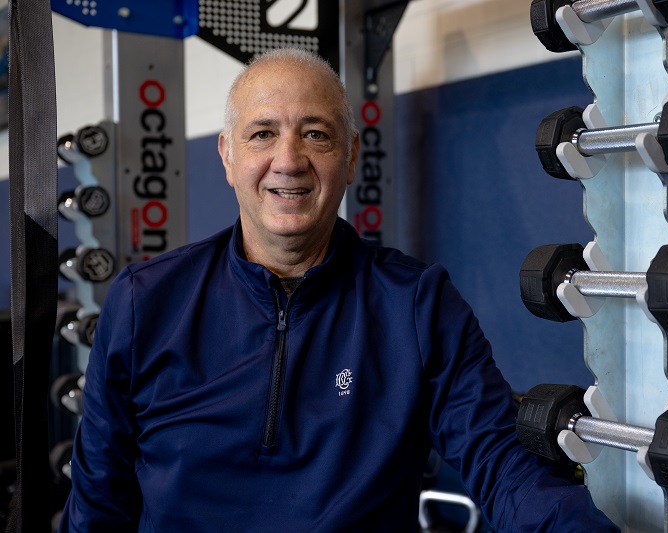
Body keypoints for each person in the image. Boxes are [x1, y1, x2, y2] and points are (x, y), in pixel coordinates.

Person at [59, 47, 618, 532]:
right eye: (262, 134)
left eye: (315, 134)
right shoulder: (145, 303)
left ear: (350, 157)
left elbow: (502, 465)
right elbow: (98, 500)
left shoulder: (416, 305)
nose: (289, 160)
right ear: (227, 155)